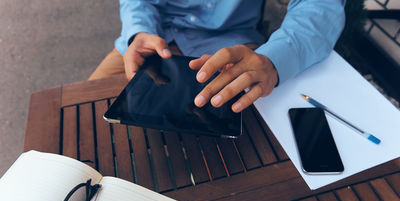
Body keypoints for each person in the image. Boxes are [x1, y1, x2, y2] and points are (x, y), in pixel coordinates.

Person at [89, 0, 345, 113]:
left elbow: (321, 5)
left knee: (236, 158)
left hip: (232, 47)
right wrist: (138, 30)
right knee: (82, 126)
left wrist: (274, 60)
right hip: (150, 40)